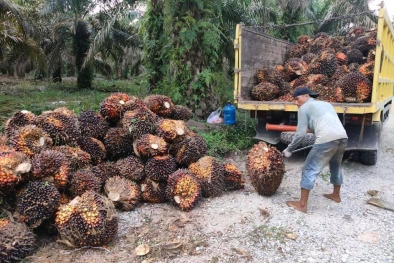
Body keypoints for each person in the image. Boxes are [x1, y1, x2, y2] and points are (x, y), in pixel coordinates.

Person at [282, 86, 348, 213]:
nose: (296, 103)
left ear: (307, 96)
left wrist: (289, 149)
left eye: (297, 99)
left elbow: (300, 134)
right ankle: (336, 195)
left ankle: (302, 205)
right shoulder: (326, 104)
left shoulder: (304, 108)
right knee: (336, 165)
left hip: (327, 138)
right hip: (342, 137)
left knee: (309, 169)